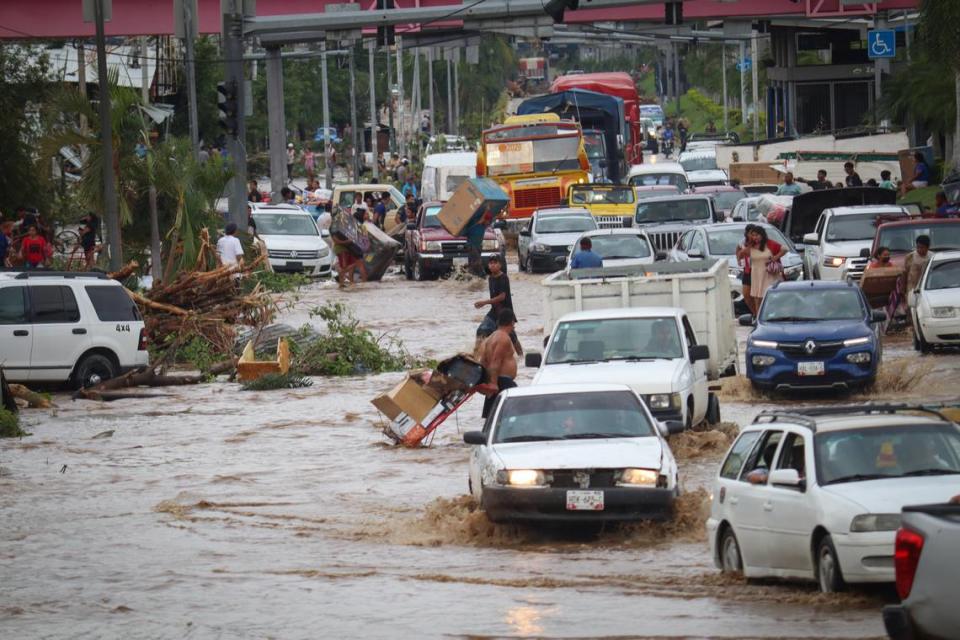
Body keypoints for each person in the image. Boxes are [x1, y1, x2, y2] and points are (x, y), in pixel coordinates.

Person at [474, 255, 522, 355]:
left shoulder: (503, 277)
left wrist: (484, 302)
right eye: (490, 263)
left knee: (512, 338)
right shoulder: (491, 278)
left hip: (505, 312)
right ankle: (476, 357)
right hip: (494, 312)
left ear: (500, 265)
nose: (492, 265)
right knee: (481, 331)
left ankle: (522, 358)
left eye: (495, 263)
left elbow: (502, 297)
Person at [478, 308, 520, 420]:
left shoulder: (489, 338)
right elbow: (495, 361)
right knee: (514, 417)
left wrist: (485, 381)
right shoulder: (503, 338)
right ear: (511, 322)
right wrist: (493, 383)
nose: (514, 326)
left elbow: (482, 362)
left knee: (493, 419)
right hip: (502, 383)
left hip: (497, 382)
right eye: (514, 323)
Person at [743, 225, 786, 303]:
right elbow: (742, 253)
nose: (755, 237)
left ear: (762, 235)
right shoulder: (750, 246)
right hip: (756, 275)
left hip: (769, 275)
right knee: (757, 298)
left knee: (771, 297)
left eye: (757, 235)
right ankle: (758, 314)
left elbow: (785, 249)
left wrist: (775, 257)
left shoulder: (769, 243)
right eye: (753, 235)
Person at [736, 225, 758, 317]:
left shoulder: (758, 242)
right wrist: (738, 259)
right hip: (747, 270)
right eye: (750, 233)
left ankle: (758, 315)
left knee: (757, 295)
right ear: (747, 233)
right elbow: (738, 249)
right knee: (746, 295)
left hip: (758, 270)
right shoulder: (743, 242)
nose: (753, 235)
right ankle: (755, 314)